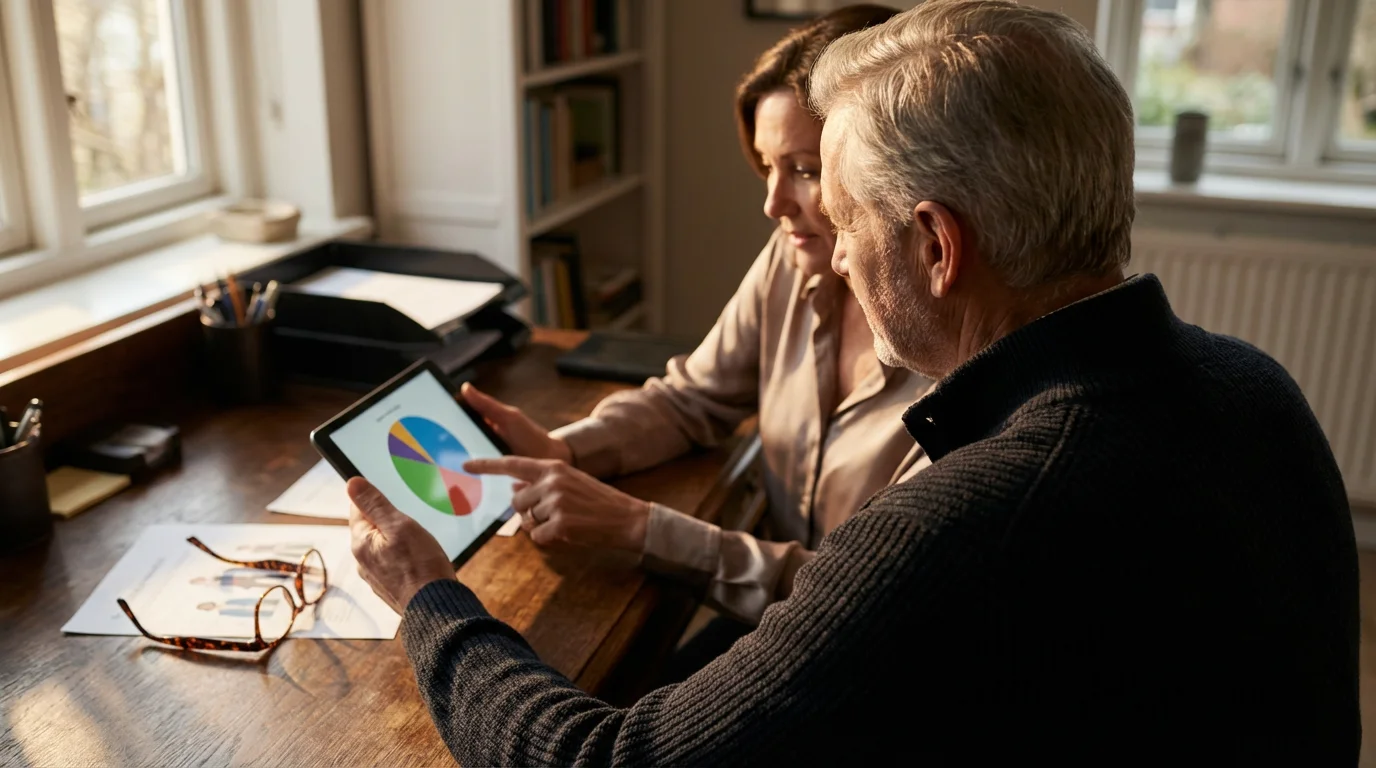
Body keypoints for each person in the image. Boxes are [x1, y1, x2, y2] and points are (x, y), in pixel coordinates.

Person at [349, 1, 1360, 763]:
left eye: (843, 216)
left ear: (931, 245)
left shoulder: (971, 515)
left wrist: (431, 597)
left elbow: (608, 760)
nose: (819, 244)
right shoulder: (1252, 385)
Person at [458, 4, 922, 638]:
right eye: (767, 167)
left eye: (806, 171)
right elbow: (692, 398)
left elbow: (863, 606)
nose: (773, 203)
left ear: (884, 168)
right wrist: (567, 448)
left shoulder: (949, 345)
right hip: (768, 625)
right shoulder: (793, 259)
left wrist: (637, 526)